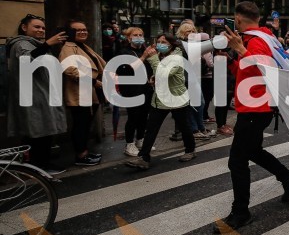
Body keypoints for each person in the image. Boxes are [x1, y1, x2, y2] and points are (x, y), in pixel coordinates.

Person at [215, 2, 289, 232]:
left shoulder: (256, 41)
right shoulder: (256, 39)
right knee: (253, 151)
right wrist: (230, 61)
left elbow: (265, 69)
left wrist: (240, 50)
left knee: (237, 161)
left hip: (256, 108)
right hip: (254, 107)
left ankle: (241, 212)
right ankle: (287, 177)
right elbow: (247, 72)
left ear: (238, 20)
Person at [6, 14, 68, 173]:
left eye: (43, 28)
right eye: (36, 27)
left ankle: (42, 165)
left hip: (43, 94)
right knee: (37, 133)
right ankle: (38, 167)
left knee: (44, 132)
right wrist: (47, 44)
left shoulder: (35, 44)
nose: (41, 30)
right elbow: (27, 62)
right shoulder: (21, 44)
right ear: (24, 27)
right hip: (34, 96)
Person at [124, 33, 197, 169]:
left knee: (184, 126)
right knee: (151, 128)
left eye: (164, 42)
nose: (160, 44)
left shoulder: (177, 57)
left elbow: (165, 73)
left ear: (172, 44)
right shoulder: (160, 56)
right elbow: (158, 72)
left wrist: (152, 59)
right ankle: (143, 157)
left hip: (176, 98)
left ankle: (190, 150)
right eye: (158, 41)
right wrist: (153, 77)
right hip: (160, 99)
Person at [59, 20, 106, 167]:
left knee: (85, 124)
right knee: (81, 124)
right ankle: (81, 156)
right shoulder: (68, 47)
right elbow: (69, 69)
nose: (82, 32)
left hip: (89, 93)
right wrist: (92, 81)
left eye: (84, 29)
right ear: (70, 33)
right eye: (78, 30)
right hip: (79, 93)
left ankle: (84, 152)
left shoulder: (82, 46)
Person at [117, 27, 152, 156]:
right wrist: (143, 57)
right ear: (129, 38)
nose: (139, 37)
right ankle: (129, 144)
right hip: (131, 89)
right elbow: (127, 69)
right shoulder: (124, 52)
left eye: (141, 35)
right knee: (133, 117)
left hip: (145, 88)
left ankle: (140, 140)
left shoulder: (144, 50)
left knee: (144, 116)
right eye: (135, 35)